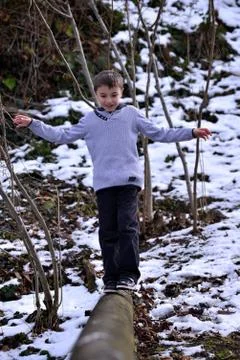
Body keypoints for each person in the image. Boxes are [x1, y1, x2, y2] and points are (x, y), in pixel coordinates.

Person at [13, 70, 211, 293]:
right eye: (104, 95)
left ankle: (128, 274)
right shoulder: (89, 121)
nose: (109, 100)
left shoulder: (131, 114)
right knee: (108, 230)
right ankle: (111, 276)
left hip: (128, 181)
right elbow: (61, 135)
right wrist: (32, 123)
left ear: (122, 92)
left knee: (127, 226)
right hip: (104, 185)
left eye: (114, 95)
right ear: (96, 95)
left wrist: (191, 132)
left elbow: (160, 133)